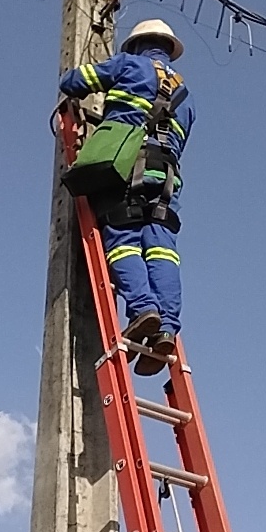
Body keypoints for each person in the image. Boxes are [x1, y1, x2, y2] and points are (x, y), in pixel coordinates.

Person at [59, 19, 194, 376]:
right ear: (168, 49)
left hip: (124, 167)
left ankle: (143, 308)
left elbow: (74, 81)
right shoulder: (187, 96)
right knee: (162, 251)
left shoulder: (128, 65)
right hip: (166, 177)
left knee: (123, 243)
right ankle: (167, 327)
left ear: (136, 45)